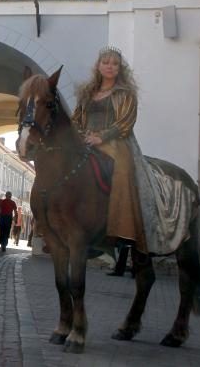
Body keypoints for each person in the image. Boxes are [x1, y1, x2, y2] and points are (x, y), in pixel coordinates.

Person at [72, 46, 146, 253]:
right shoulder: (87, 92)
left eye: (114, 63)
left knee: (122, 172)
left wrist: (101, 137)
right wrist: (81, 134)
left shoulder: (125, 94)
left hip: (115, 142)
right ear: (98, 66)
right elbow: (76, 118)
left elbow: (126, 122)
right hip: (86, 140)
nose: (110, 67)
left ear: (120, 68)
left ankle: (121, 231)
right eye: (106, 62)